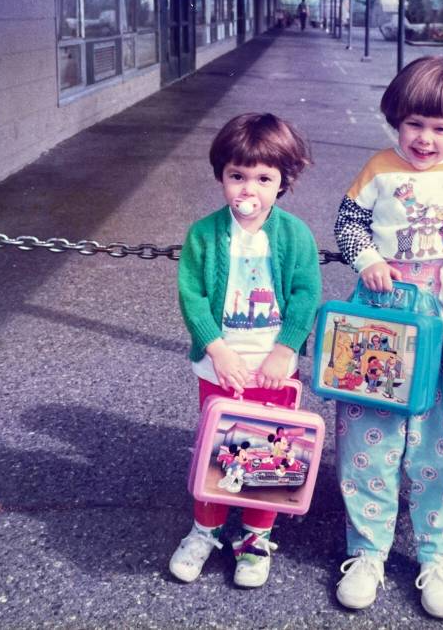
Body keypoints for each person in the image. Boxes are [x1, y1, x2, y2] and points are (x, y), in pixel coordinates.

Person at [331, 56, 443, 619]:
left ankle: (438, 557)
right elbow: (347, 222)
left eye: (440, 128)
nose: (425, 139)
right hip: (381, 318)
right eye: (414, 124)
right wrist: (365, 259)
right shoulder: (379, 167)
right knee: (369, 440)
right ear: (396, 119)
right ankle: (367, 553)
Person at [172, 113, 322, 588]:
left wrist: (286, 349)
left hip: (274, 368)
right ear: (222, 176)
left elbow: (305, 293)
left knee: (271, 451)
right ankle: (206, 529)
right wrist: (217, 350)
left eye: (263, 178)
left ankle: (255, 539)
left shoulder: (294, 234)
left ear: (283, 183)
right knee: (216, 450)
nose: (248, 188)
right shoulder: (204, 234)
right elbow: (191, 295)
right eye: (237, 176)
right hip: (222, 367)